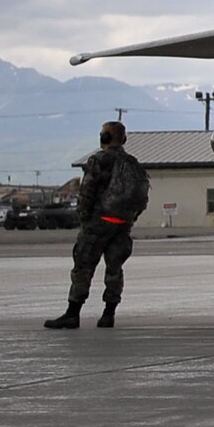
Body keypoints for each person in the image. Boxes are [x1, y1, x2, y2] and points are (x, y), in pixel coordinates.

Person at [44, 121, 150, 330]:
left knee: (83, 267)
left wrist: (84, 219)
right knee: (114, 269)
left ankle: (73, 314)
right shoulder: (132, 162)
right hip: (122, 223)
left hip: (99, 222)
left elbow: (88, 192)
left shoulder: (99, 160)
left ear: (104, 138)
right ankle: (108, 314)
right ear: (124, 139)